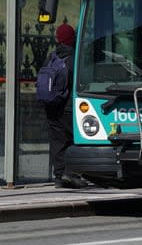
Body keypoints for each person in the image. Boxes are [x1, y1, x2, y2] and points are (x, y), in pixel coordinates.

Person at [42, 23, 87, 189]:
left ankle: (59, 177)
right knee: (75, 139)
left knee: (57, 142)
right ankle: (72, 173)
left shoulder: (51, 57)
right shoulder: (76, 58)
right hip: (69, 106)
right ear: (72, 38)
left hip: (52, 106)